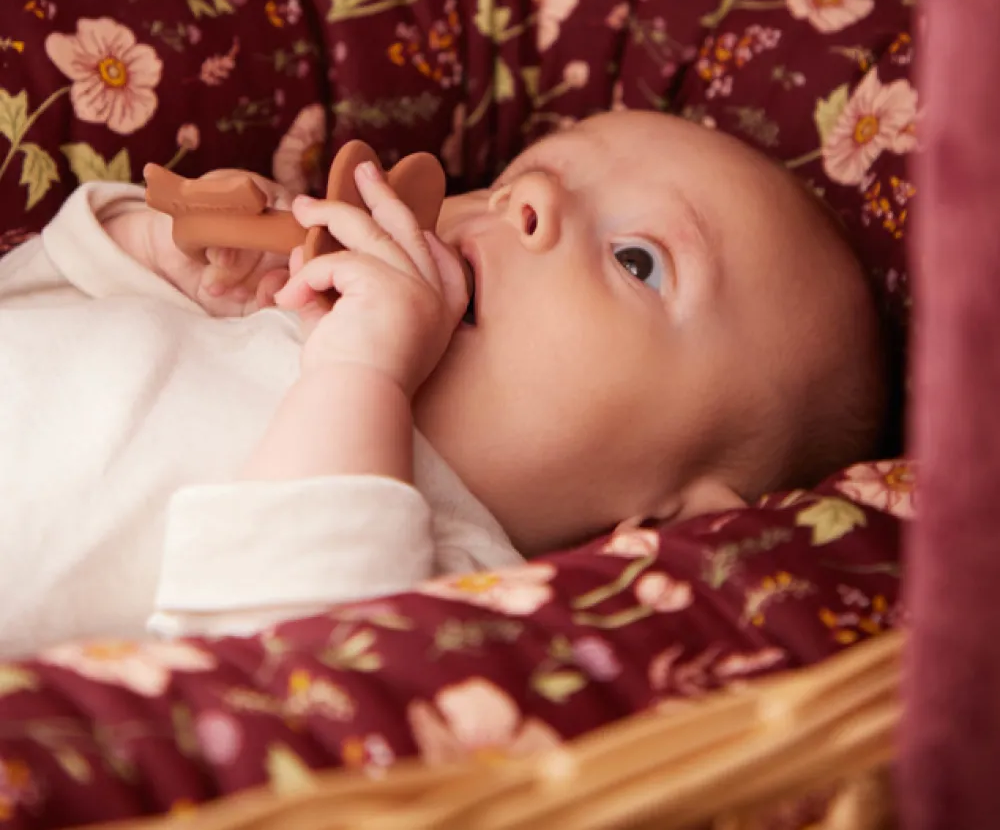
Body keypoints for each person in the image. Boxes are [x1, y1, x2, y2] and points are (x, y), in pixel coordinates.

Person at [0, 110, 883, 659]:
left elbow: (277, 680)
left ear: (667, 527)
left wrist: (362, 372)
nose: (528, 197)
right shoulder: (275, 318)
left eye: (637, 259)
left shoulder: (462, 590)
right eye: (529, 168)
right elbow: (33, 289)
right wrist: (157, 250)